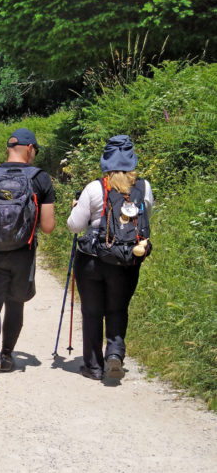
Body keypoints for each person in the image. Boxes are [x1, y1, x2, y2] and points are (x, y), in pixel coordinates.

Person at [0, 128, 56, 384]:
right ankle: (6, 355)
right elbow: (48, 227)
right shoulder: (40, 179)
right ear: (29, 149)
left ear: (9, 148)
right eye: (35, 150)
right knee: (16, 303)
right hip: (23, 254)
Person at [67, 134, 154, 381]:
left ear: (106, 160)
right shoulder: (143, 187)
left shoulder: (95, 188)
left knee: (92, 311)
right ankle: (114, 354)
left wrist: (76, 208)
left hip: (92, 260)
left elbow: (74, 226)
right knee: (117, 308)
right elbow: (146, 216)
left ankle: (93, 367)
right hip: (126, 260)